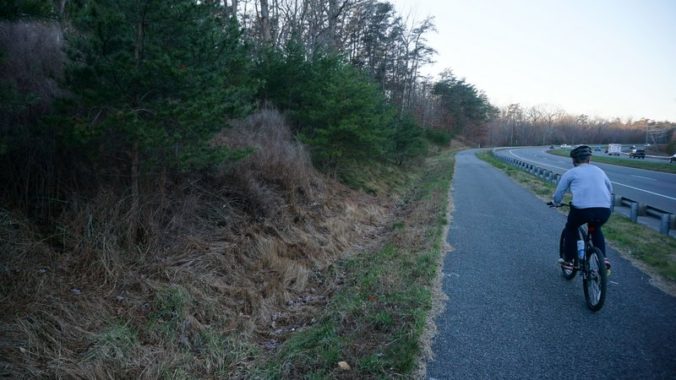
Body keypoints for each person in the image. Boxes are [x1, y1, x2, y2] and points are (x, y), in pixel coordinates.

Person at [552, 145, 613, 271]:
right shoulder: (599, 170)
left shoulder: (571, 172)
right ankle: (604, 259)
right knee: (595, 228)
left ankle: (569, 261)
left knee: (571, 227)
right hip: (604, 209)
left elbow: (559, 193)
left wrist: (556, 202)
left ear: (573, 160)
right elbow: (610, 189)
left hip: (582, 210)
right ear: (589, 159)